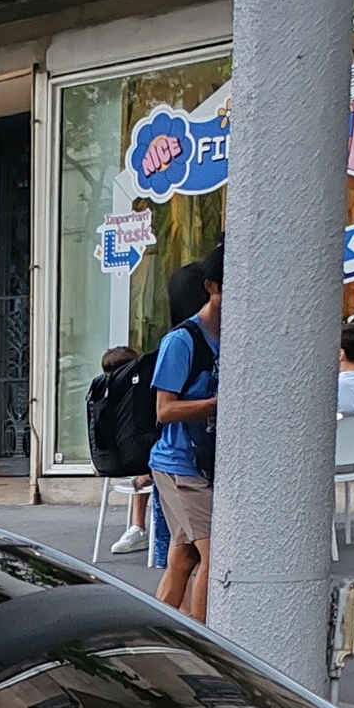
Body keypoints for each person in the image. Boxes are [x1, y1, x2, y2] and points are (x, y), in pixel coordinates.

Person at [150, 245, 221, 622]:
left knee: (185, 556)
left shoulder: (232, 338)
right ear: (211, 287)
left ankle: (157, 630)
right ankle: (207, 643)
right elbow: (164, 409)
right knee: (213, 553)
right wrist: (215, 404)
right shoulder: (181, 341)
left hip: (204, 463)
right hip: (179, 464)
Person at [99, 346, 152, 555]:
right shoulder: (138, 394)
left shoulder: (101, 394)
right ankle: (138, 527)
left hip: (113, 463)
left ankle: (137, 528)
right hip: (141, 463)